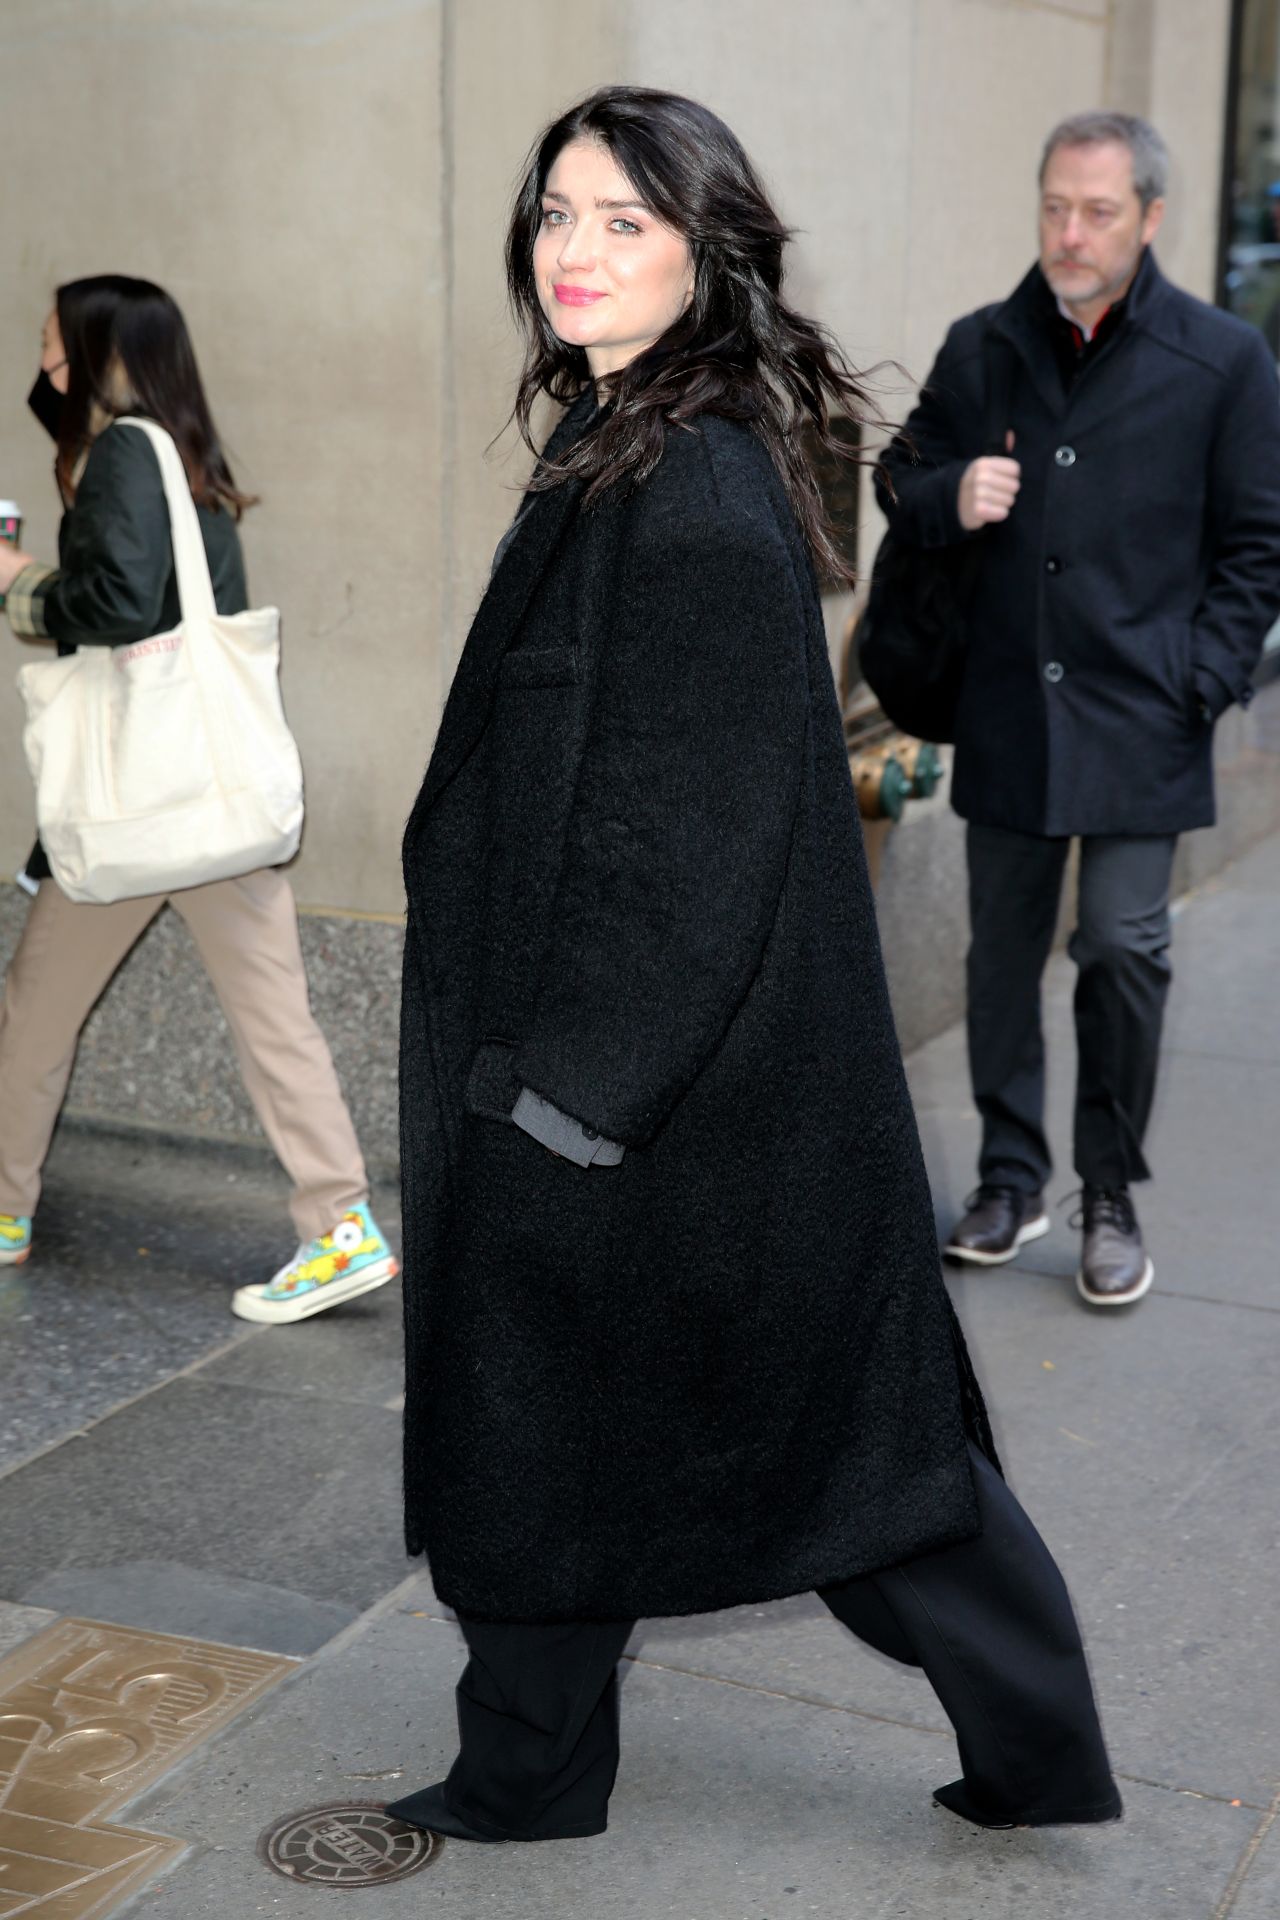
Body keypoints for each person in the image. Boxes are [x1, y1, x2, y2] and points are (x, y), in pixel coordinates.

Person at [390, 86, 1121, 1846]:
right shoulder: (622, 432)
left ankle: (1035, 1749)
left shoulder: (693, 480)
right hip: (620, 1083)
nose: (572, 250)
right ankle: (532, 1770)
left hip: (654, 1097)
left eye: (623, 222)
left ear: (705, 252)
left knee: (862, 1470)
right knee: (567, 1433)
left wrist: (569, 1097)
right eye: (557, 213)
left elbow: (690, 844)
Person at [879, 112, 1280, 1307]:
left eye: (1096, 211)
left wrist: (1198, 684)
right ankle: (1007, 1178)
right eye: (1053, 206)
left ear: (1150, 218)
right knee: (997, 956)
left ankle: (1105, 1193)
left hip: (1141, 717)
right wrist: (955, 489)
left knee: (1120, 947)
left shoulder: (1223, 361)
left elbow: (1257, 548)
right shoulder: (981, 347)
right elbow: (899, 477)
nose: (1068, 231)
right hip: (1006, 706)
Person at [0, 275, 396, 1324]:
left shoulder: (128, 451)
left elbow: (118, 606)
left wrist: (17, 580)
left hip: (141, 805)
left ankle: (4, 1210)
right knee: (273, 1022)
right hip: (209, 804)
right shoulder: (181, 454)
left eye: (53, 342)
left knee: (36, 1009)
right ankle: (340, 1227)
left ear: (98, 347)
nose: (43, 360)